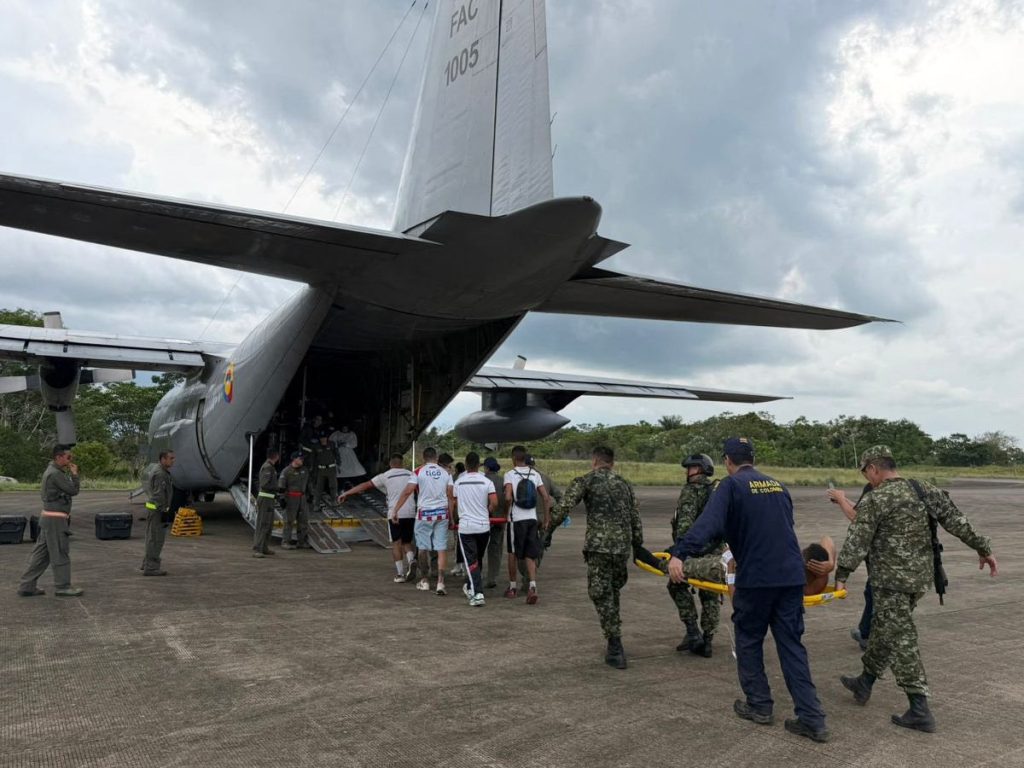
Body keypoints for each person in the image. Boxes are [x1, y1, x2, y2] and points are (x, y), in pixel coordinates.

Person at [668, 437, 829, 744]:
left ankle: (759, 705)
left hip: (757, 579)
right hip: (791, 576)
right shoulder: (778, 486)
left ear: (728, 461)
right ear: (752, 458)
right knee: (792, 646)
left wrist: (680, 553)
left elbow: (708, 525)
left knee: (749, 640)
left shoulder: (731, 486)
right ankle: (813, 719)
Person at [834, 445, 998, 733]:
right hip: (920, 580)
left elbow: (857, 540)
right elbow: (956, 520)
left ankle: (919, 707)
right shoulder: (923, 489)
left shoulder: (877, 498)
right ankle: (865, 681)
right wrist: (983, 548)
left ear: (873, 468)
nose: (866, 477)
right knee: (886, 630)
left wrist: (842, 574)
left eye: (865, 471)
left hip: (890, 583)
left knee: (901, 640)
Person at [549, 446, 643, 669]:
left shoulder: (586, 481)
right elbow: (634, 516)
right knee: (612, 591)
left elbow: (563, 507)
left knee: (600, 593)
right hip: (621, 548)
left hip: (599, 547)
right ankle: (615, 635)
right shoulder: (624, 483)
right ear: (612, 462)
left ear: (594, 461)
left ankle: (615, 644)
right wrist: (638, 545)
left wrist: (547, 532)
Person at [667, 453, 724, 658]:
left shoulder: (691, 491)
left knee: (675, 584)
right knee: (710, 594)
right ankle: (707, 640)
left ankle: (693, 632)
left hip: (694, 552)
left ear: (699, 469)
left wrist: (679, 552)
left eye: (690, 468)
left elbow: (685, 525)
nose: (687, 472)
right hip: (716, 552)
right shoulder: (718, 491)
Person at [338, 453, 417, 582]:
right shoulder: (411, 474)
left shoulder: (385, 476)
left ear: (390, 464)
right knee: (407, 541)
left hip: (395, 513)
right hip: (410, 512)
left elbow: (365, 485)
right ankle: (411, 559)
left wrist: (347, 493)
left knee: (396, 543)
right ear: (402, 463)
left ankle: (400, 574)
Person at [17, 445, 84, 597]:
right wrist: (74, 475)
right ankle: (63, 586)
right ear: (58, 457)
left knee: (41, 555)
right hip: (55, 520)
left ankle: (27, 586)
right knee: (60, 552)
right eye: (68, 457)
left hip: (48, 518)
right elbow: (73, 491)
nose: (70, 460)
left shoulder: (53, 472)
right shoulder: (55, 474)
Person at [391, 446, 454, 596]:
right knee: (441, 548)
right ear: (436, 458)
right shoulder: (446, 473)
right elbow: (450, 496)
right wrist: (451, 517)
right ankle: (440, 582)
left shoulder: (418, 471)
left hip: (424, 514)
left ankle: (425, 580)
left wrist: (396, 509)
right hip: (442, 514)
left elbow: (408, 491)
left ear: (423, 458)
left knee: (423, 547)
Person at [828, 482, 875, 651]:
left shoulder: (874, 488)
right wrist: (843, 499)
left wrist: (841, 500)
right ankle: (865, 632)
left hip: (881, 557)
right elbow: (862, 508)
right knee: (871, 592)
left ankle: (868, 636)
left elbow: (858, 518)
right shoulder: (889, 489)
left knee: (875, 593)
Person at [503, 446, 551, 604]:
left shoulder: (509, 474)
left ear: (513, 458)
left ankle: (512, 587)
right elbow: (546, 498)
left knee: (513, 553)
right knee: (530, 554)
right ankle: (532, 586)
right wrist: (546, 519)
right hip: (531, 518)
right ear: (525, 458)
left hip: (516, 519)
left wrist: (506, 510)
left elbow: (509, 497)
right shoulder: (535, 474)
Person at [452, 452, 497, 606]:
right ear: (479, 465)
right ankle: (472, 586)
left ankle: (477, 593)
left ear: (465, 465)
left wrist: (459, 515)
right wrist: (487, 511)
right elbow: (494, 502)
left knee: (471, 560)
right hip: (484, 526)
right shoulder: (487, 482)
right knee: (478, 559)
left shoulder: (459, 482)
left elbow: (455, 502)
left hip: (466, 527)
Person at [141, 450, 175, 576]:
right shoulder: (161, 474)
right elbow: (159, 496)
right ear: (163, 459)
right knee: (156, 539)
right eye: (170, 458)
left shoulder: (158, 470)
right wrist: (164, 511)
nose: (173, 461)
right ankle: (151, 567)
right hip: (157, 511)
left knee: (151, 537)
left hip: (154, 509)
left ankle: (147, 563)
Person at [481, 457, 507, 589]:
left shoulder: (481, 480)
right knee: (495, 549)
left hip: (481, 519)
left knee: (477, 548)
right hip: (499, 519)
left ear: (486, 468)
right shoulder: (503, 481)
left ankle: (474, 574)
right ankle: (492, 576)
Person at [279, 452, 311, 550]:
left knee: (303, 520)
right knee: (289, 521)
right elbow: (281, 486)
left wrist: (310, 494)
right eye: (300, 458)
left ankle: (301, 541)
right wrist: (281, 499)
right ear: (294, 459)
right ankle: (285, 542)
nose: (302, 460)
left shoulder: (305, 470)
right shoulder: (286, 471)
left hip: (302, 498)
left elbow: (308, 483)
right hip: (291, 498)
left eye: (302, 458)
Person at [252, 449, 280, 558]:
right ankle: (258, 548)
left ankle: (264, 547)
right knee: (262, 524)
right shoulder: (267, 467)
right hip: (265, 499)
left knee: (268, 524)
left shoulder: (271, 467)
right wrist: (277, 488)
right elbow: (264, 484)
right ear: (276, 456)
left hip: (270, 499)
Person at [312, 435, 338, 509]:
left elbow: (337, 454)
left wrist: (339, 463)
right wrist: (313, 470)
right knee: (319, 488)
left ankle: (334, 501)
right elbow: (313, 458)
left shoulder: (332, 444)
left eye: (324, 438)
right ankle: (316, 504)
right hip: (321, 469)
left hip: (331, 468)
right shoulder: (316, 446)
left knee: (333, 486)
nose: (323, 440)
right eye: (321, 438)